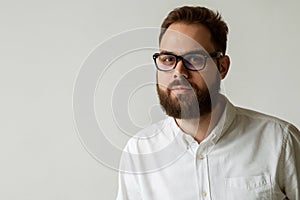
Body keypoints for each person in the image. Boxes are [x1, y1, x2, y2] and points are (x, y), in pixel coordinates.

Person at [116, 6, 300, 200]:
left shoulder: (280, 141)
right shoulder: (139, 152)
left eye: (194, 59)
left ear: (222, 67)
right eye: (168, 59)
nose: (179, 72)